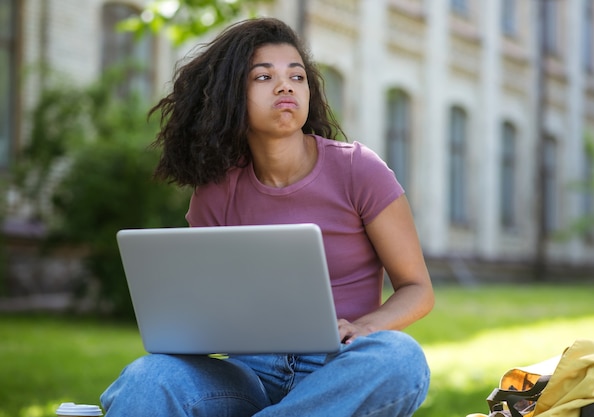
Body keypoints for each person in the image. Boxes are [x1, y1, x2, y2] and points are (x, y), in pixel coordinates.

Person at [101, 17, 434, 417]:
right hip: (248, 375)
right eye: (263, 77)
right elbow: (204, 306)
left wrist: (365, 328)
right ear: (232, 95)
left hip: (340, 366)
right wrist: (191, 328)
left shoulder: (359, 170)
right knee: (146, 377)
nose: (285, 86)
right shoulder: (216, 191)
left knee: (401, 359)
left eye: (297, 76)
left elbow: (418, 288)